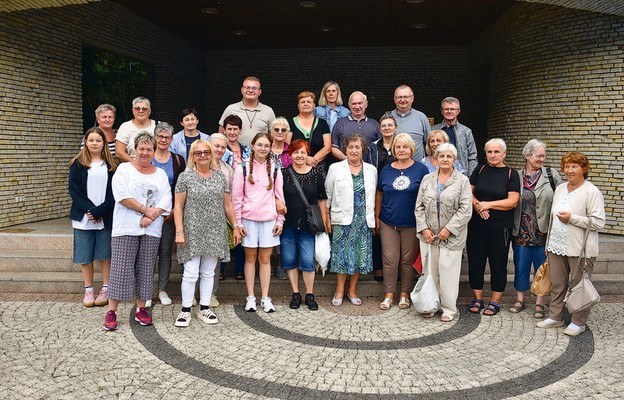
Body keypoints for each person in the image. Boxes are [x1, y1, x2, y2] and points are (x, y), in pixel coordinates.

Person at [104, 132, 172, 331]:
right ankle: (111, 312)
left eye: (149, 149)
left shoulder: (159, 174)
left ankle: (141, 309)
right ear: (134, 150)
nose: (145, 152)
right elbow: (121, 195)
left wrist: (150, 216)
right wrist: (144, 210)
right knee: (121, 269)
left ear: (154, 151)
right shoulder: (124, 169)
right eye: (141, 149)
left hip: (151, 229)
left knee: (146, 269)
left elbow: (166, 199)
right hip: (125, 227)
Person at [173, 140, 240, 327]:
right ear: (192, 156)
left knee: (209, 272)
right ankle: (185, 310)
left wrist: (235, 226)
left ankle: (204, 308)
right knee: (190, 272)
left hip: (215, 230)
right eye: (198, 152)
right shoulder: (185, 177)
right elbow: (178, 207)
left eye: (206, 152)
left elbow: (227, 204)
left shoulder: (220, 177)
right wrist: (179, 231)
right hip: (191, 230)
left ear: (211, 155)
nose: (203, 155)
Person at [537, 152, 605, 336]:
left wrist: (572, 219)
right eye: (567, 166)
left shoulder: (591, 191)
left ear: (584, 168)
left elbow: (598, 222)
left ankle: (578, 321)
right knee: (558, 284)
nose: (569, 170)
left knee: (579, 285)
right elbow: (552, 218)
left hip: (580, 249)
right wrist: (548, 244)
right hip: (556, 246)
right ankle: (555, 317)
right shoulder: (560, 188)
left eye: (574, 166)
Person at [415, 143, 472, 321]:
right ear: (436, 159)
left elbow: (465, 210)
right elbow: (419, 207)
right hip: (429, 236)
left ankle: (448, 308)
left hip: (451, 237)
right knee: (430, 273)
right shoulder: (427, 179)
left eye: (449, 157)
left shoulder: (462, 181)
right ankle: (431, 303)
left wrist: (449, 229)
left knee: (448, 273)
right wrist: (424, 228)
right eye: (441, 156)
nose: (445, 159)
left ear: (454, 160)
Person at [232, 132, 285, 313]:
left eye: (266, 146)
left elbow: (280, 198)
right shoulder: (243, 168)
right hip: (248, 220)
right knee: (250, 258)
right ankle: (250, 297)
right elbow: (236, 199)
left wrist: (280, 220)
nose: (263, 148)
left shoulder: (276, 168)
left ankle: (265, 297)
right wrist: (238, 224)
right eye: (259, 145)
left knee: (265, 259)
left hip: (269, 220)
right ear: (253, 146)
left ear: (270, 148)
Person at [467, 138, 520, 316]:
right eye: (489, 152)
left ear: (504, 154)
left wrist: (487, 205)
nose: (492, 155)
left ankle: (495, 300)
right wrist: (478, 206)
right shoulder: (479, 169)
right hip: (476, 226)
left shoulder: (511, 174)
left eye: (496, 152)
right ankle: (477, 298)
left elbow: (512, 201)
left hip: (500, 228)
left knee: (498, 264)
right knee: (476, 263)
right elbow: (468, 192)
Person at [509, 139, 561, 318]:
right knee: (521, 266)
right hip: (521, 232)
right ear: (527, 156)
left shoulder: (551, 175)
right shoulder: (515, 175)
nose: (541, 159)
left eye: (543, 155)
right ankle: (520, 299)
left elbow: (560, 200)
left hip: (543, 231)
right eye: (538, 155)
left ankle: (540, 303)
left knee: (542, 268)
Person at [376, 134, 428, 310]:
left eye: (405, 147)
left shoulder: (421, 169)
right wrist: (376, 216)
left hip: (412, 223)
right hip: (388, 222)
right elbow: (379, 194)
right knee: (390, 259)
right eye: (398, 147)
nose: (401, 150)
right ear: (394, 149)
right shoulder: (386, 169)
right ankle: (389, 295)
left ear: (412, 149)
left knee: (407, 260)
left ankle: (405, 294)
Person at [325, 134, 377, 306]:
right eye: (351, 147)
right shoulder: (335, 168)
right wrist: (327, 216)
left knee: (360, 257)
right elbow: (328, 195)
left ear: (363, 150)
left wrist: (374, 218)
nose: (354, 150)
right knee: (342, 258)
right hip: (343, 220)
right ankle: (339, 290)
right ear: (345, 150)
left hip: (363, 221)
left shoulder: (371, 170)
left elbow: (373, 196)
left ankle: (352, 289)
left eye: (357, 147)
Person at [69, 127, 118, 307]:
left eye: (98, 140)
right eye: (91, 140)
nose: (95, 143)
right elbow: (74, 190)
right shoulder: (78, 164)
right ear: (86, 142)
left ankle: (106, 288)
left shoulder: (112, 164)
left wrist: (100, 211)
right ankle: (88, 290)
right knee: (85, 256)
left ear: (104, 143)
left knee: (105, 256)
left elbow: (115, 193)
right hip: (83, 218)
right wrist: (90, 210)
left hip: (104, 217)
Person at [281, 140, 328, 310]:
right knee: (289, 259)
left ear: (307, 154)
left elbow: (321, 199)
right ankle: (295, 293)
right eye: (296, 152)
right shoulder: (283, 173)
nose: (299, 155)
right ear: (290, 154)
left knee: (308, 260)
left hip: (309, 226)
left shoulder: (316, 174)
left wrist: (324, 221)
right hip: (288, 224)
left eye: (303, 152)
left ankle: (309, 294)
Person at [151, 122, 186, 306]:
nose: (163, 140)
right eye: (160, 136)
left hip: (170, 214)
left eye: (167, 137)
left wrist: (174, 211)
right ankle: (146, 291)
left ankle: (162, 290)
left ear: (172, 140)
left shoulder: (178, 160)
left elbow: (181, 189)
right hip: (148, 214)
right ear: (155, 138)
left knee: (165, 252)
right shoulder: (147, 157)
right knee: (148, 253)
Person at [368, 114, 398, 282]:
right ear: (380, 129)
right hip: (376, 192)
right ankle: (378, 266)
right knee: (377, 230)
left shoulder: (401, 145)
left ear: (395, 128)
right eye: (384, 125)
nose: (387, 128)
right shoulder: (372, 148)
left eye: (390, 125)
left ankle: (397, 267)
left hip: (398, 193)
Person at [210, 133, 239, 286]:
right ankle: (193, 295)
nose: (220, 150)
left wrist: (234, 224)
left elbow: (231, 198)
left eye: (223, 147)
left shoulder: (228, 169)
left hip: (220, 219)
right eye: (217, 146)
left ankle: (211, 294)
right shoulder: (195, 166)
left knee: (215, 261)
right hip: (198, 219)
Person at [218, 76, 275, 146]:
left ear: (259, 92)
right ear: (242, 90)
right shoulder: (231, 109)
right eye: (247, 87)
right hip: (235, 154)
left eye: (254, 88)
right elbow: (221, 134)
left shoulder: (268, 111)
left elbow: (273, 136)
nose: (250, 90)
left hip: (260, 154)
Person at [432, 97, 478, 177]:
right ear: (442, 111)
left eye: (452, 109)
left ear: (458, 111)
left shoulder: (466, 131)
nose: (449, 111)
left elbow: (472, 157)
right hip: (437, 174)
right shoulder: (434, 130)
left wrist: (470, 178)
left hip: (461, 175)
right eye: (446, 109)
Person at [331, 91, 380, 161]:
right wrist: (347, 160)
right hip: (345, 168)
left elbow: (380, 148)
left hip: (369, 168)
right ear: (349, 105)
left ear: (366, 104)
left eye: (360, 103)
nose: (357, 106)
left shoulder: (374, 124)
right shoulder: (340, 123)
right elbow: (334, 147)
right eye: (354, 104)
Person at [288, 91, 332, 171]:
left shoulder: (322, 123)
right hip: (296, 167)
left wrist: (313, 160)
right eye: (302, 102)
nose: (306, 104)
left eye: (309, 102)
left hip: (318, 167)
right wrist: (305, 159)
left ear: (314, 106)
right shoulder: (290, 123)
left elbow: (328, 147)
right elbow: (287, 146)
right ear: (298, 106)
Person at [385, 84, 430, 162]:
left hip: (418, 167)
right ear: (394, 99)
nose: (402, 100)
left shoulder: (421, 117)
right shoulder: (388, 117)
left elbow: (429, 143)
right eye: (399, 97)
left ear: (412, 98)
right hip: (393, 166)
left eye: (406, 97)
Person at [115, 96, 156, 162]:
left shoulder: (157, 126)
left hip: (154, 165)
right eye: (137, 108)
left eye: (144, 109)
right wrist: (136, 165)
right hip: (131, 166)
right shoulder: (125, 127)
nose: (140, 111)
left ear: (149, 111)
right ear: (133, 110)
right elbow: (119, 153)